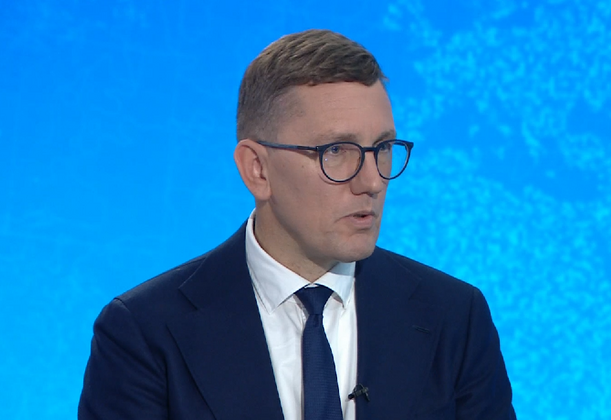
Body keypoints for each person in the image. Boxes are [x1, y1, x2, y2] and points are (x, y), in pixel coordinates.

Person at [78, 29, 516, 420]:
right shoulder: (144, 333)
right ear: (258, 170)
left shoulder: (454, 317)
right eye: (336, 151)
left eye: (382, 148)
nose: (372, 181)